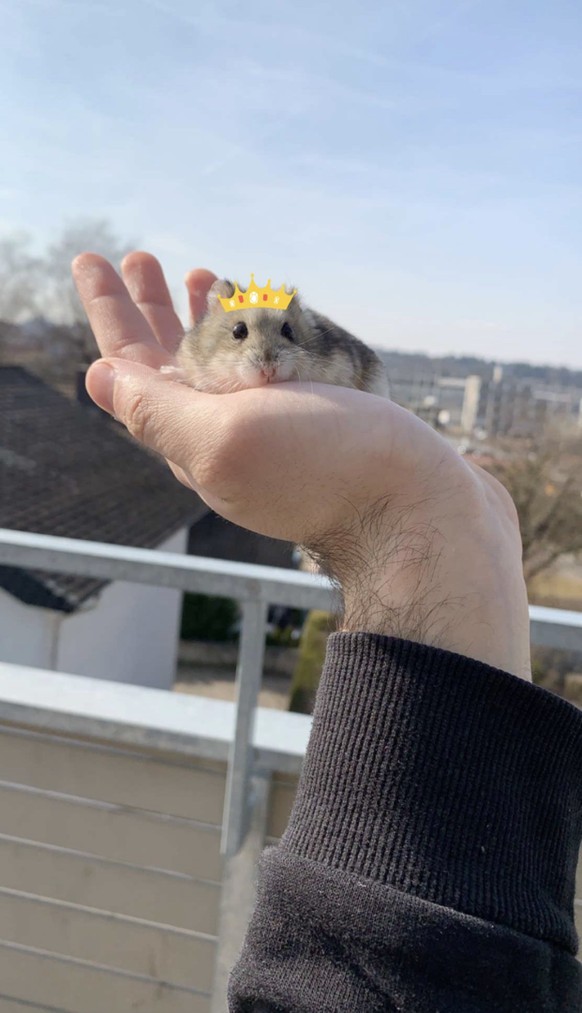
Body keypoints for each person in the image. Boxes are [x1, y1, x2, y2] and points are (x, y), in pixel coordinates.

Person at [73, 252, 582, 1012]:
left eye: (284, 337)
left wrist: (407, 496)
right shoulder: (203, 354)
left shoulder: (336, 359)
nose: (267, 356)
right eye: (243, 335)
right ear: (216, 337)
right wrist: (426, 511)